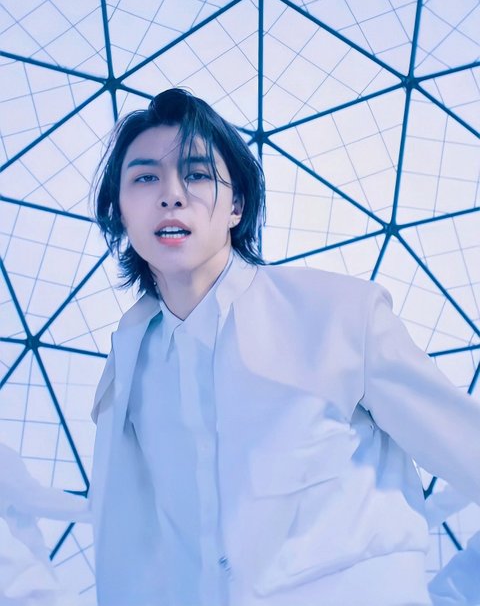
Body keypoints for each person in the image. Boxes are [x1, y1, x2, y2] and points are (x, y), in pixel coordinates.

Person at [89, 88, 480, 606]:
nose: (172, 194)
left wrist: (454, 593)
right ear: (120, 212)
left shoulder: (341, 317)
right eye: (145, 178)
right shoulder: (129, 372)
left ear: (237, 206)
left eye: (198, 174)